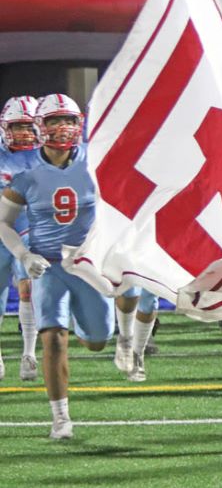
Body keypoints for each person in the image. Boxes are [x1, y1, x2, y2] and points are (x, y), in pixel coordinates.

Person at [0, 94, 114, 440]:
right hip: (47, 264)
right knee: (54, 340)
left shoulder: (97, 162)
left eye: (67, 120)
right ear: (41, 126)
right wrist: (24, 254)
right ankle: (60, 418)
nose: (61, 128)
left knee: (97, 339)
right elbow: (4, 222)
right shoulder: (28, 171)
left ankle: (88, 322)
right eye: (52, 121)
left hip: (87, 263)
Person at [0, 95, 41, 381]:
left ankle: (29, 352)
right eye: (18, 126)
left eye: (29, 126)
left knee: (27, 286)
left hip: (29, 228)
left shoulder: (48, 156)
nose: (25, 133)